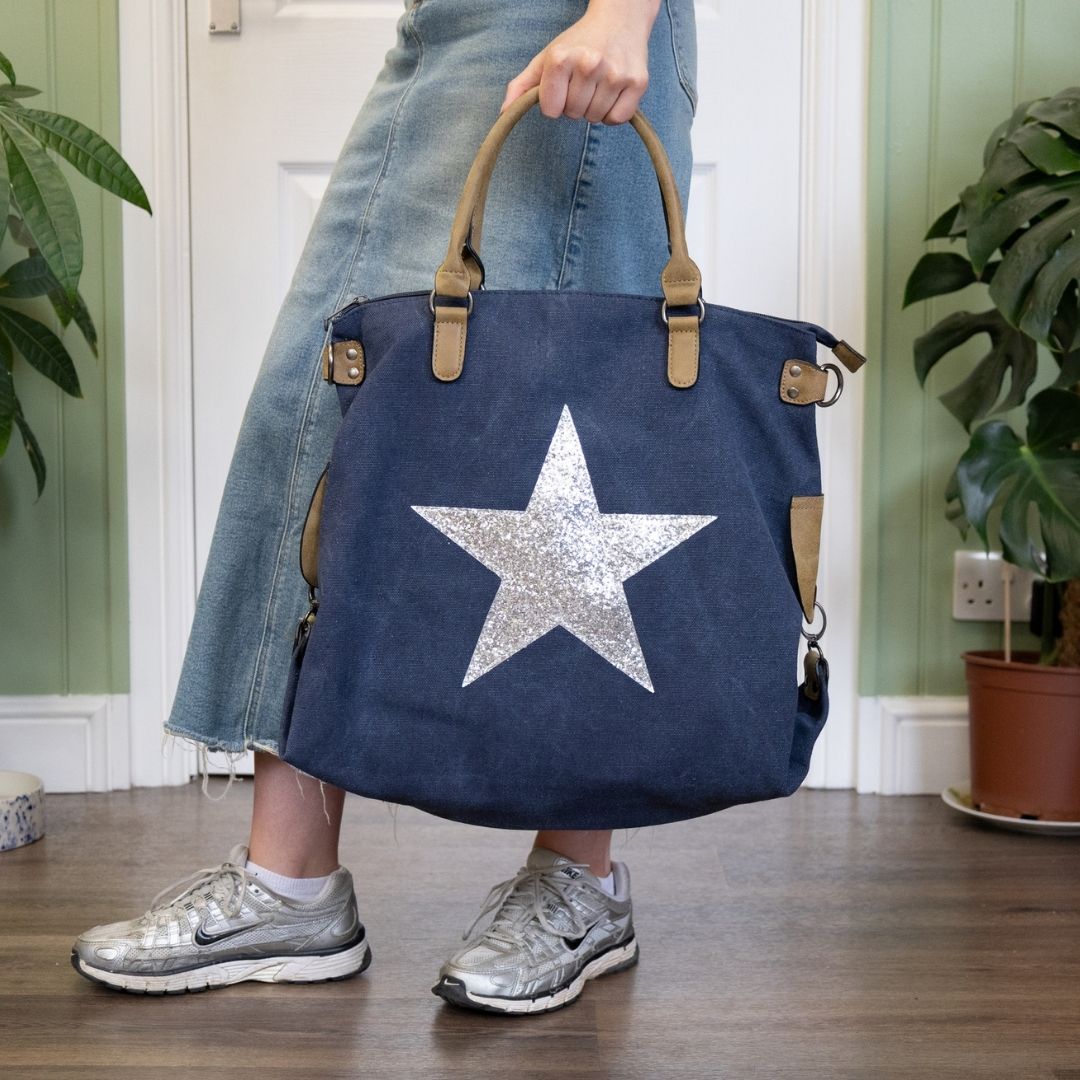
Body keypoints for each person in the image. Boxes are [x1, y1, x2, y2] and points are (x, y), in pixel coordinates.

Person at [71, 0, 697, 1014]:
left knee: (580, 435)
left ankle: (577, 882)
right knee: (325, 403)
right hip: (440, 36)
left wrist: (622, 16)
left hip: (566, 24)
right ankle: (289, 883)